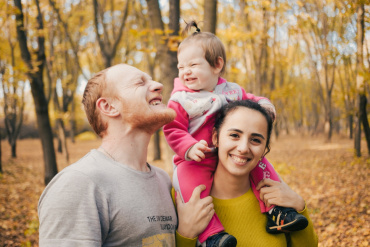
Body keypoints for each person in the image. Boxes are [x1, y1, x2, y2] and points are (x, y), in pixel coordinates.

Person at [163, 21, 307, 246]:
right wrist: (188, 147)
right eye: (181, 67)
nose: (185, 72)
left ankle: (278, 211)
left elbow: (251, 100)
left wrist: (264, 104)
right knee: (193, 193)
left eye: (192, 65)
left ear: (216, 64)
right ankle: (212, 234)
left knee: (265, 169)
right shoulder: (181, 99)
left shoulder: (230, 90)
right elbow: (173, 128)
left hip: (226, 153)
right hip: (195, 158)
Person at [38, 64, 214, 246]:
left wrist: (186, 234)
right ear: (108, 106)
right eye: (140, 82)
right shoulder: (78, 184)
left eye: (152, 80)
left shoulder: (163, 180)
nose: (158, 85)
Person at [176, 100, 318, 246]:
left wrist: (300, 208)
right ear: (216, 138)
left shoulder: (278, 203)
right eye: (234, 135)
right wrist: (185, 235)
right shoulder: (183, 202)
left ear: (264, 149)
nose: (243, 148)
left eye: (255, 140)